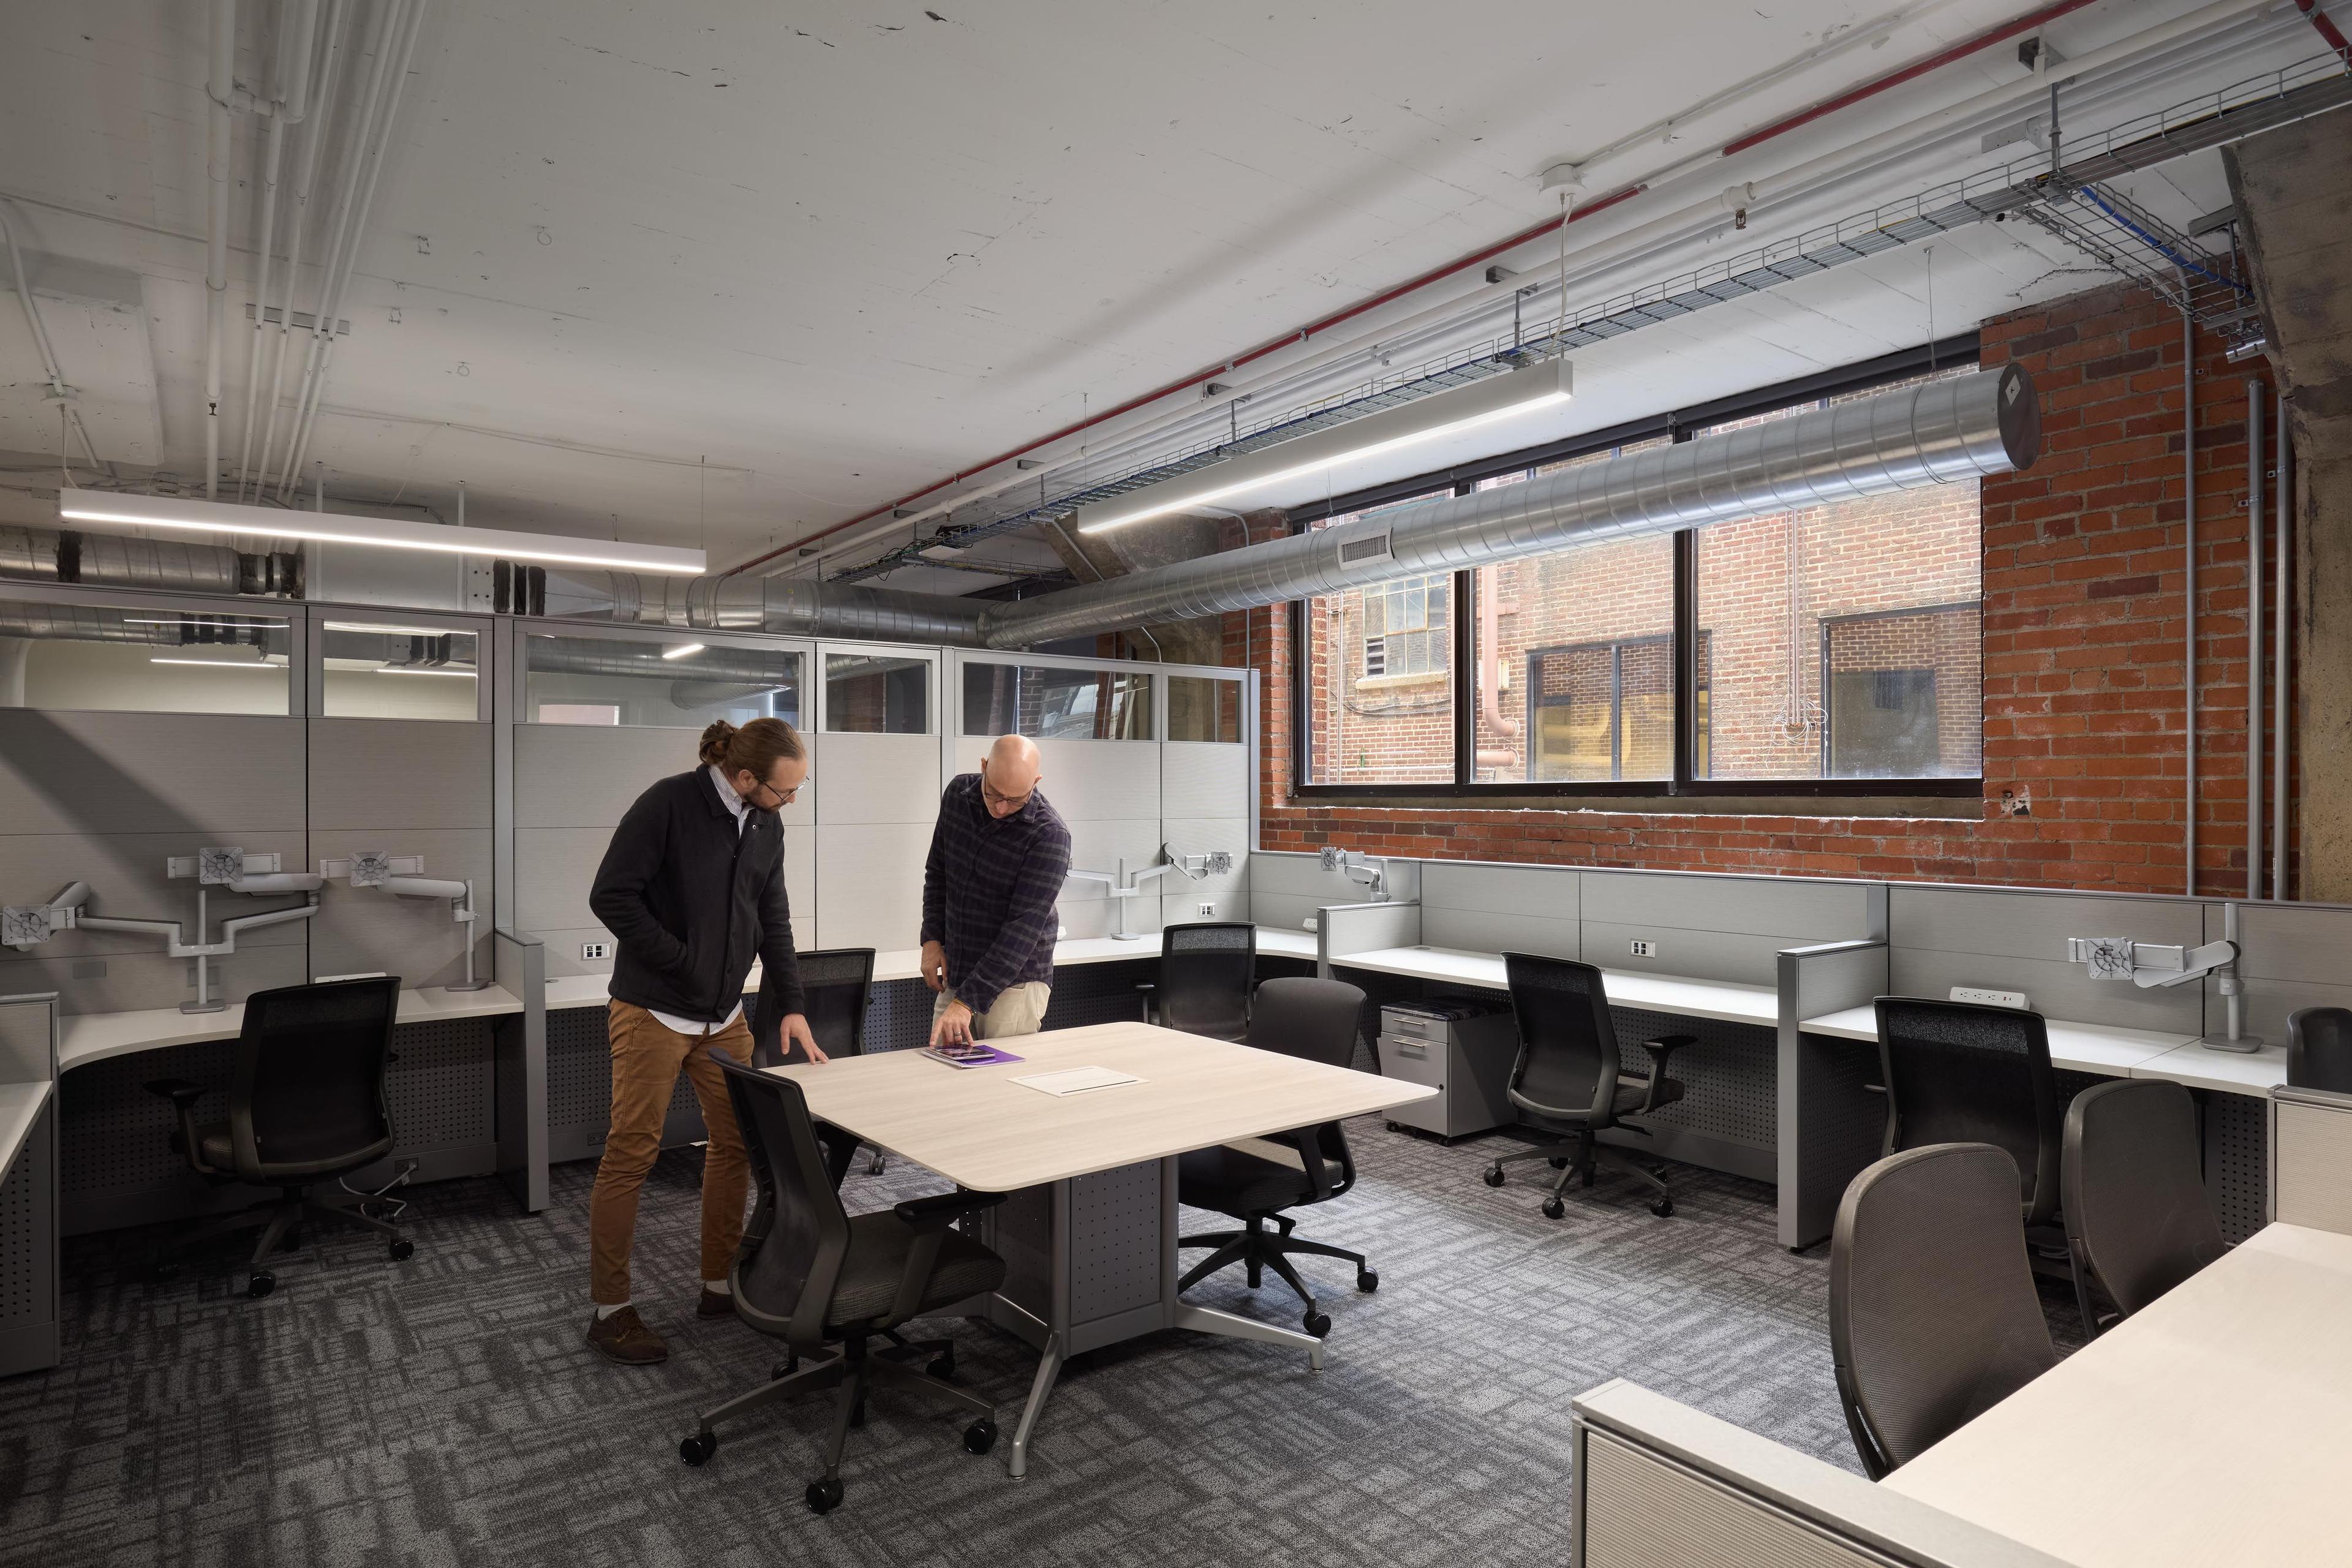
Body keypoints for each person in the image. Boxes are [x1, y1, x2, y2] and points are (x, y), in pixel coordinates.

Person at [581, 716, 825, 1365]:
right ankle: (610, 1311)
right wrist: (684, 960)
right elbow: (611, 896)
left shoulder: (765, 822)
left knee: (737, 1144)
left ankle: (720, 1284)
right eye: (784, 790)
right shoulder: (668, 804)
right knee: (631, 1154)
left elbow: (772, 915)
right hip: (653, 1012)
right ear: (744, 776)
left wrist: (792, 1005)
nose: (790, 802)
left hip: (727, 1018)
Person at [921, 733, 1072, 1046]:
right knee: (939, 1069)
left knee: (1002, 1084)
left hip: (1014, 984)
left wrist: (967, 1003)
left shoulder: (1049, 835)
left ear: (1036, 781)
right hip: (959, 968)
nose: (1002, 808)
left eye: (1016, 799)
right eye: (994, 794)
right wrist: (932, 939)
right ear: (984, 766)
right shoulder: (958, 794)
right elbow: (938, 872)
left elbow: (1023, 930)